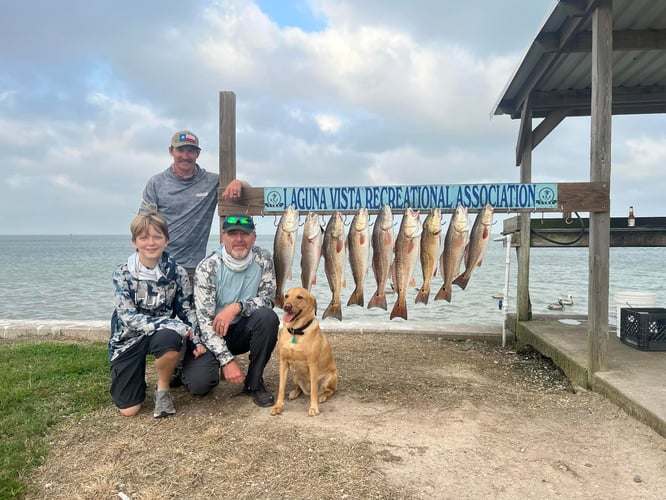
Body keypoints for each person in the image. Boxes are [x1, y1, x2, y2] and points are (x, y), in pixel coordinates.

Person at [109, 207, 206, 418]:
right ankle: (130, 377)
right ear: (134, 242)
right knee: (129, 411)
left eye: (157, 237)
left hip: (161, 336)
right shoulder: (122, 273)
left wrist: (196, 339)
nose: (151, 243)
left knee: (171, 340)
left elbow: (187, 309)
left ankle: (162, 389)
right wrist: (172, 324)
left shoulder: (177, 272)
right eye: (144, 237)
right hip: (128, 338)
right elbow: (127, 317)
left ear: (166, 240)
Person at [181, 214, 279, 407]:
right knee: (200, 385)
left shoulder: (263, 259)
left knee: (268, 318)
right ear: (222, 237)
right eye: (232, 234)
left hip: (243, 329)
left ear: (254, 237)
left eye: (245, 234)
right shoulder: (208, 267)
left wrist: (237, 307)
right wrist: (227, 361)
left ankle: (254, 382)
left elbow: (268, 300)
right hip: (212, 332)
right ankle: (184, 367)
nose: (239, 239)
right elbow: (205, 321)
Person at [141, 130, 248, 282]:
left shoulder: (212, 182)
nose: (185, 156)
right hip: (159, 264)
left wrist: (238, 182)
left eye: (190, 151)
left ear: (197, 154)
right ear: (171, 151)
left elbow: (247, 193)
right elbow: (143, 224)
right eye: (180, 150)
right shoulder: (156, 183)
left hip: (194, 268)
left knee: (190, 307)